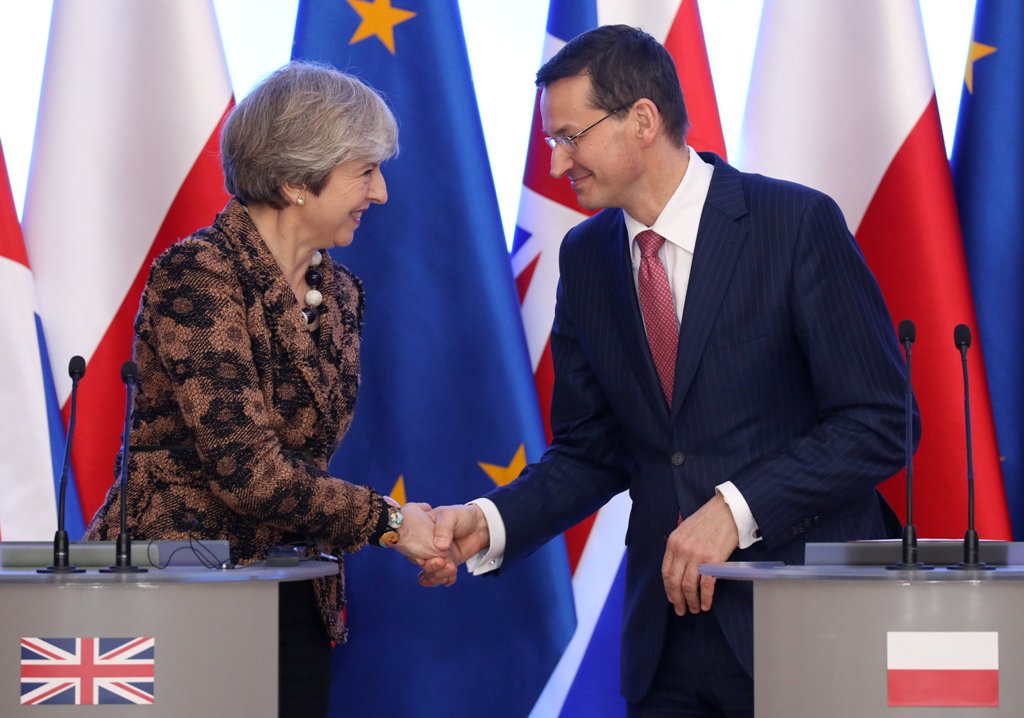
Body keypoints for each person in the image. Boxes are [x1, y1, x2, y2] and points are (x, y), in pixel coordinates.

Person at [421, 25, 918, 717]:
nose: (559, 164)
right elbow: (593, 451)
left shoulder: (793, 224)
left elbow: (881, 422)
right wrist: (490, 519)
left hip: (805, 622)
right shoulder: (588, 259)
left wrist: (735, 509)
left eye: (571, 137)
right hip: (670, 644)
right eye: (551, 143)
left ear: (643, 120)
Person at [83, 62, 443, 718]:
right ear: (295, 180)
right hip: (180, 588)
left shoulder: (341, 293)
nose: (382, 193)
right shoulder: (199, 275)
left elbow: (305, 461)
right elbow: (246, 469)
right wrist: (391, 523)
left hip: (296, 594)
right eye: (365, 172)